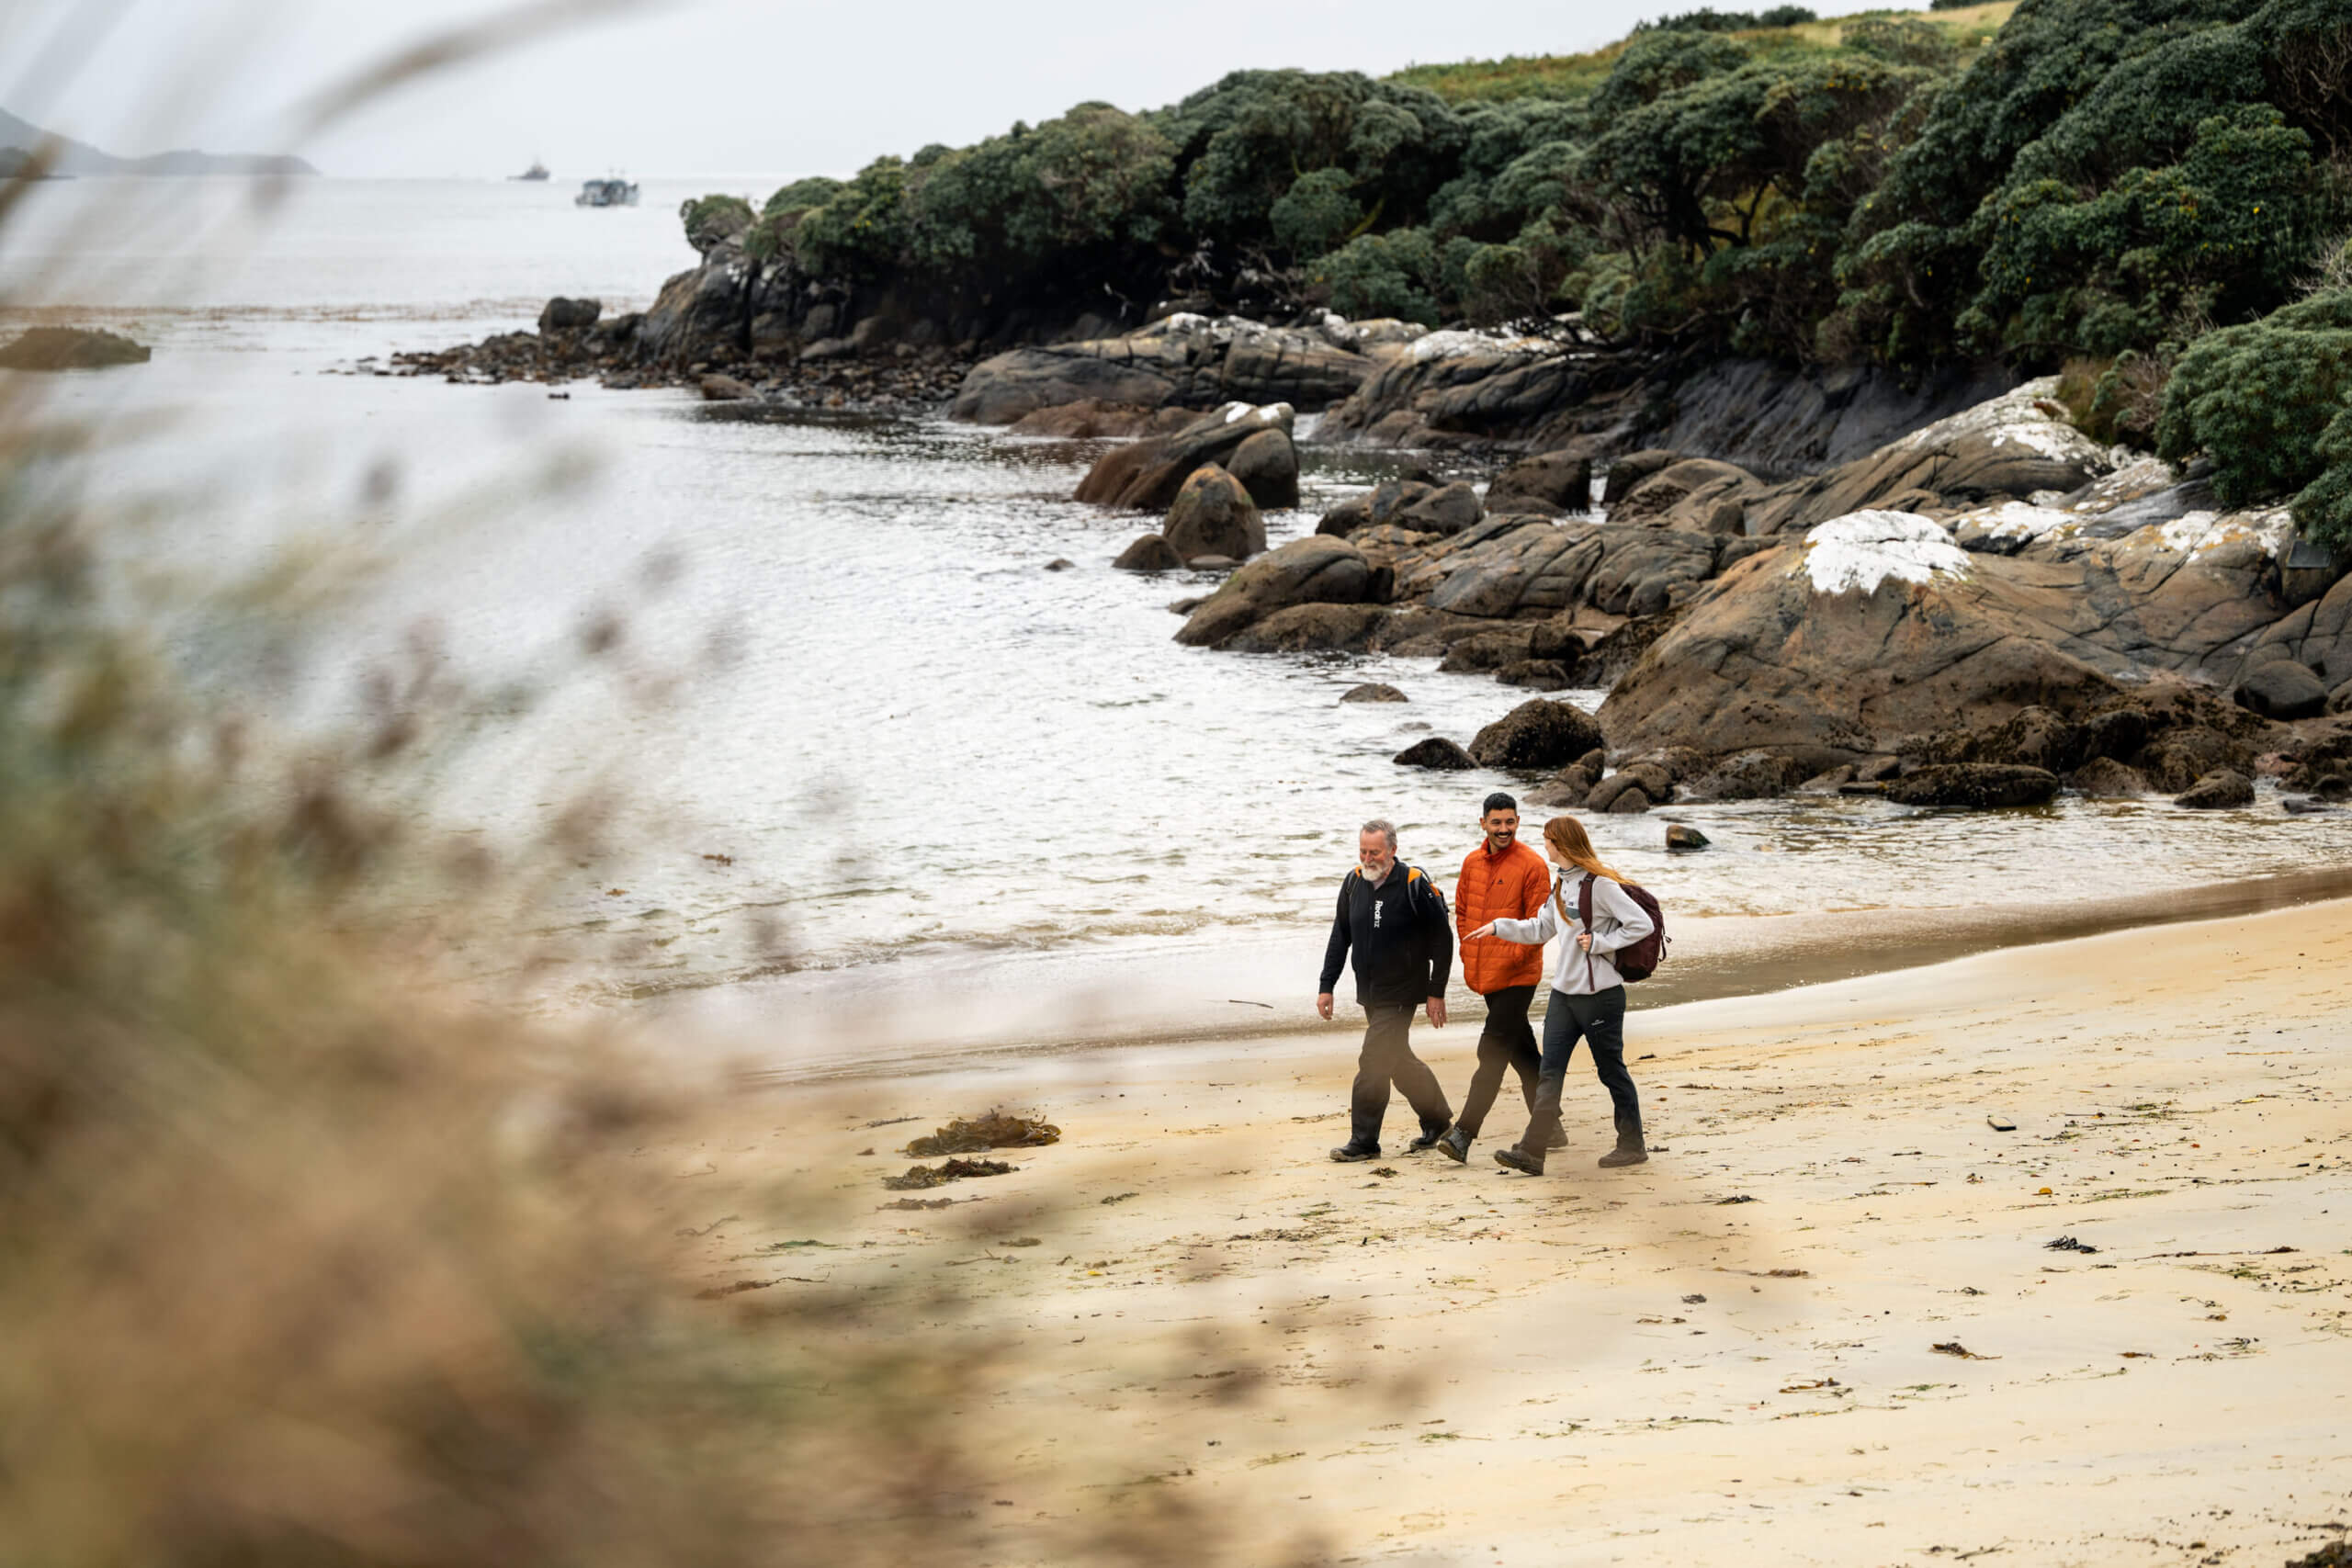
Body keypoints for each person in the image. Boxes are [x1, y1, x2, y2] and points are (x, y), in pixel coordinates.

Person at [1463, 815, 1655, 1172]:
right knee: (1549, 1074)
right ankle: (1532, 1152)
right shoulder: (1562, 884)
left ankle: (1632, 1145)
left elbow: (1641, 923)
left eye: (1548, 840)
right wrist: (1498, 927)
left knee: (1611, 1071)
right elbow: (1540, 928)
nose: (1545, 845)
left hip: (1600, 997)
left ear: (1561, 844)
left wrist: (1601, 942)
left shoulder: (1600, 885)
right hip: (1563, 996)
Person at [1434, 793, 1566, 1165]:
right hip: (1484, 972)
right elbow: (1462, 912)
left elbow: (1539, 927)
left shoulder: (1533, 865)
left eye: (1510, 822)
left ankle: (1463, 1133)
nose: (1503, 829)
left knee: (1491, 1050)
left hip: (1518, 976)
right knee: (1522, 1051)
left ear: (1518, 822)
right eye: (1496, 822)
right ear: (1483, 824)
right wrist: (1469, 950)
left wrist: (1506, 960)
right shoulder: (1471, 862)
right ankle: (1551, 1126)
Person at [1316, 818, 1453, 1163]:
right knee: (1397, 1059)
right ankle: (1438, 1121)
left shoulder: (1413, 883)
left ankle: (1364, 1141)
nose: (1368, 858)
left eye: (1375, 852)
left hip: (1403, 991)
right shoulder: (1353, 882)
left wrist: (1436, 991)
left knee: (1374, 1058)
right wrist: (1326, 985)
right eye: (1363, 851)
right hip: (1370, 991)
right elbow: (1340, 936)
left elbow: (1443, 940)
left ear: (1392, 850)